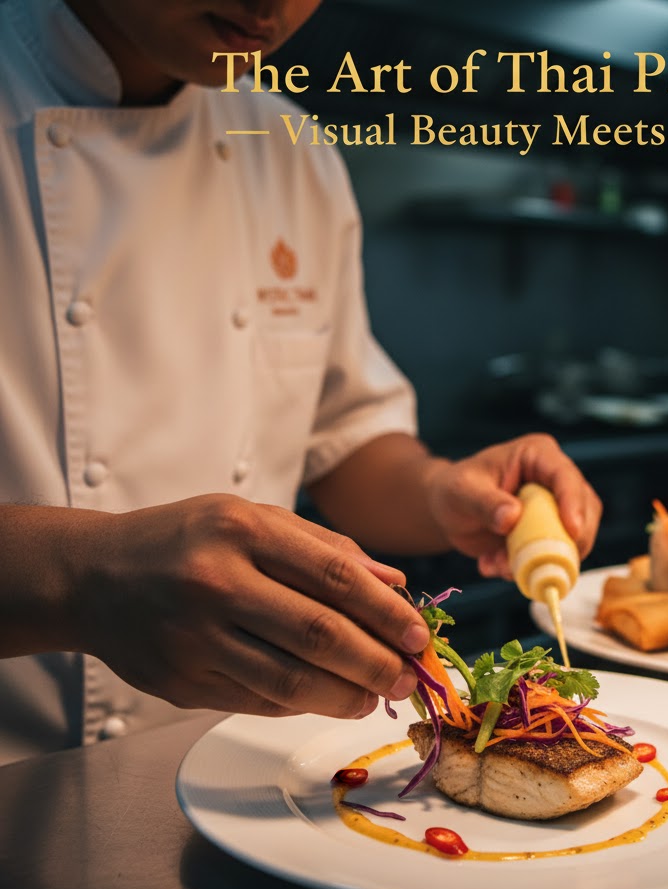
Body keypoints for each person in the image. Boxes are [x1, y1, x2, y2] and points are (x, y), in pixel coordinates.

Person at [0, 0, 602, 766]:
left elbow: (344, 438)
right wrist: (81, 581)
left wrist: (445, 493)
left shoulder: (290, 151)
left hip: (240, 768)